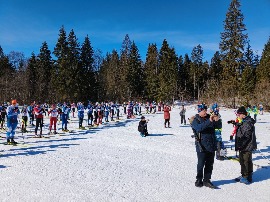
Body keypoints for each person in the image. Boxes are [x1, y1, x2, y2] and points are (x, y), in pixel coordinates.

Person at [190, 104, 220, 189]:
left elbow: (217, 127)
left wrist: (217, 120)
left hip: (211, 144)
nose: (205, 112)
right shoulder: (195, 120)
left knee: (210, 164)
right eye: (204, 110)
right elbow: (199, 128)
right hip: (201, 146)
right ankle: (199, 179)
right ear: (199, 111)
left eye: (206, 110)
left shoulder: (209, 117)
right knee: (201, 164)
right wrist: (209, 121)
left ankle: (207, 180)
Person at [234, 106, 257, 184]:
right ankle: (246, 175)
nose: (237, 116)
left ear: (243, 114)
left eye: (238, 114)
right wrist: (237, 124)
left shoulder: (247, 122)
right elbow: (242, 129)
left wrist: (241, 145)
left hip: (246, 145)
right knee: (247, 160)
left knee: (244, 161)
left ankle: (245, 176)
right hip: (246, 145)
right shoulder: (245, 121)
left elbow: (246, 136)